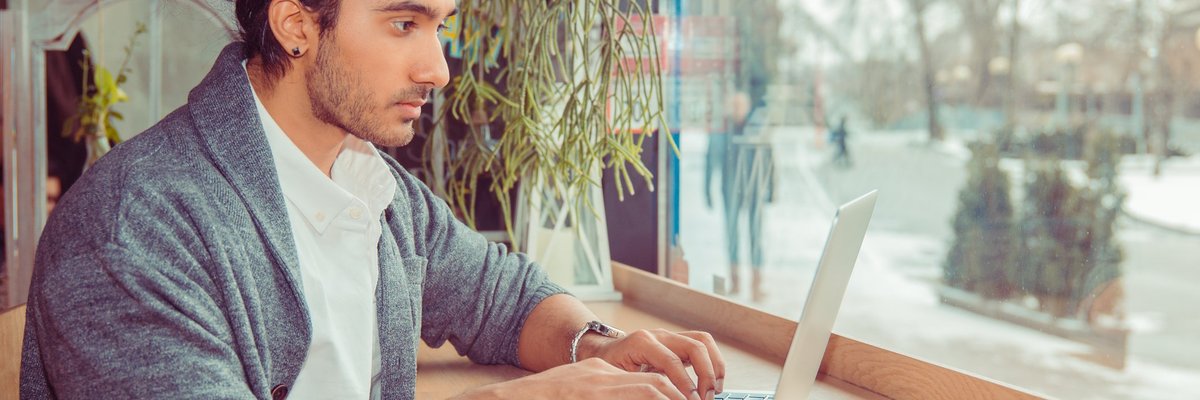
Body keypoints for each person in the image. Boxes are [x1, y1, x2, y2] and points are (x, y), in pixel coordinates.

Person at [20, 1, 725, 399]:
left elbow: (500, 296)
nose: (438, 69)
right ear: (296, 23)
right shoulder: (130, 229)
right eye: (402, 23)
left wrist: (598, 345)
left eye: (440, 26)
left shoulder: (373, 186)